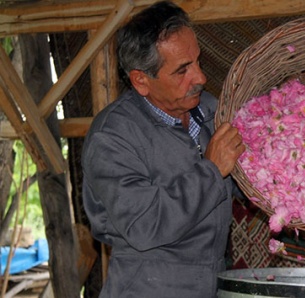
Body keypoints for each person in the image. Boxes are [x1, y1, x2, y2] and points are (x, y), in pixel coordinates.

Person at [81, 1, 245, 297]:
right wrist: (210, 171)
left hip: (210, 284)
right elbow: (144, 226)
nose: (201, 77)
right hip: (146, 288)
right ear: (141, 81)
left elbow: (242, 180)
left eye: (197, 60)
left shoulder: (209, 110)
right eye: (183, 70)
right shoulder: (113, 136)